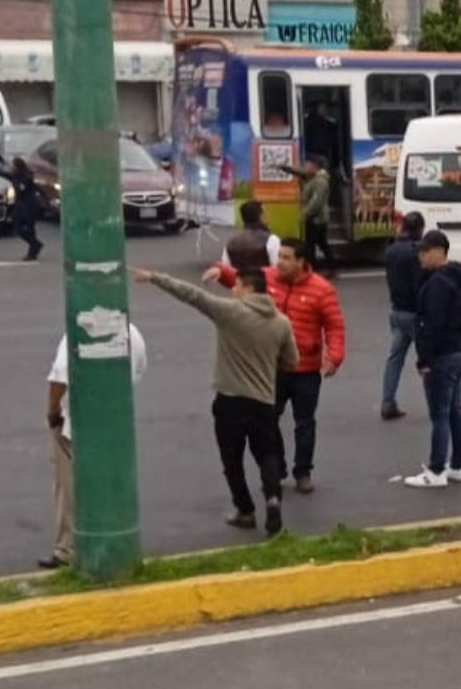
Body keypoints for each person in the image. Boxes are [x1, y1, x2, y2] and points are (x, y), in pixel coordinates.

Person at [134, 265, 298, 535]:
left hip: (231, 400)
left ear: (247, 288)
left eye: (236, 286)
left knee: (232, 459)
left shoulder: (230, 312)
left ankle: (245, 510)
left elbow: (192, 295)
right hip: (263, 402)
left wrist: (155, 278)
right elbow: (292, 361)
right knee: (266, 453)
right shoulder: (281, 322)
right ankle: (272, 498)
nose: (233, 290)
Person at [205, 242, 345, 494]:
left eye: (286, 258)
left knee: (305, 423)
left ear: (301, 261)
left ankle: (303, 471)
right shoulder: (268, 277)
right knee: (270, 420)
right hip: (272, 370)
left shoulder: (322, 290)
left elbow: (334, 325)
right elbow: (242, 283)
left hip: (307, 370)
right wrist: (221, 272)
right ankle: (276, 467)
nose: (279, 262)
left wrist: (334, 356)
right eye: (279, 256)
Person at [40, 324, 148, 569]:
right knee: (108, 483)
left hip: (79, 424)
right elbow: (139, 370)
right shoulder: (133, 333)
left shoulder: (78, 331)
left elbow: (59, 378)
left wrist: (53, 410)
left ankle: (67, 548)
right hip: (115, 422)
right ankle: (113, 539)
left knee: (68, 486)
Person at [404, 230, 461, 489]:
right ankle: (458, 464)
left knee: (440, 414)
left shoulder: (437, 285)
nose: (420, 255)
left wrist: (424, 359)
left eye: (425, 250)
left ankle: (436, 470)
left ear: (440, 252)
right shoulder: (455, 278)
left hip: (441, 355)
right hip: (458, 350)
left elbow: (432, 325)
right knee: (454, 409)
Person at [380, 212, 425, 421]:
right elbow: (419, 285)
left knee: (395, 358)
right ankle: (440, 400)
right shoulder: (416, 253)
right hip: (414, 312)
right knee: (429, 358)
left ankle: (388, 401)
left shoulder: (391, 251)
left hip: (396, 309)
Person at [220, 200, 280, 277]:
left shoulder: (231, 241)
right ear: (261, 216)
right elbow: (277, 268)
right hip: (264, 286)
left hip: (240, 285)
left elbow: (226, 269)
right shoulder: (271, 239)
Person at [298, 155, 333, 273]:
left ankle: (314, 270)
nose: (304, 168)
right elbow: (298, 172)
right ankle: (328, 268)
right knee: (320, 244)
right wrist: (282, 167)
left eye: (307, 165)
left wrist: (305, 214)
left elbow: (317, 202)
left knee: (312, 245)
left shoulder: (320, 181)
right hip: (315, 218)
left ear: (315, 167)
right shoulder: (312, 178)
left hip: (317, 219)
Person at [10, 156, 43, 262]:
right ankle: (35, 244)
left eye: (13, 166)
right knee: (18, 228)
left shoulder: (26, 177)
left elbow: (22, 189)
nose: (12, 168)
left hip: (29, 206)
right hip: (20, 205)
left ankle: (32, 252)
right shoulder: (15, 176)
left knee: (30, 228)